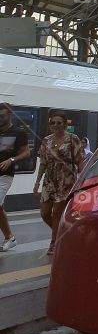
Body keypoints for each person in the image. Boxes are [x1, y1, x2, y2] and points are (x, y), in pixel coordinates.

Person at [34, 112, 85, 256]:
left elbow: (79, 160)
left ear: (65, 124)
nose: (55, 125)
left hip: (66, 179)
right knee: (44, 213)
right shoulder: (46, 140)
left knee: (57, 212)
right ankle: (63, 233)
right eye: (53, 123)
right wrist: (37, 182)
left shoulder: (72, 139)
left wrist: (83, 179)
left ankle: (54, 242)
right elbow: (43, 162)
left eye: (59, 122)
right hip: (49, 180)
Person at [0, 103, 31, 252]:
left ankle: (9, 238)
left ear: (9, 115)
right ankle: (10, 238)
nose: (0, 119)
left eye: (2, 116)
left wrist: (11, 160)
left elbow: (26, 153)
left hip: (5, 175)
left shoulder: (19, 133)